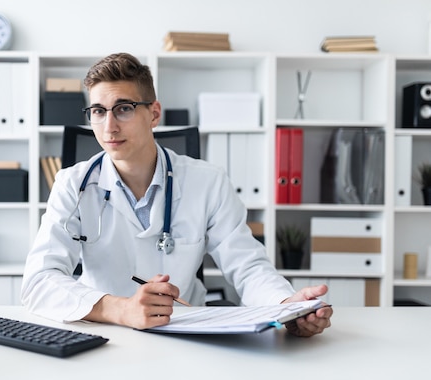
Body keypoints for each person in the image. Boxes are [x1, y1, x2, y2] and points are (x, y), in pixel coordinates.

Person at [22, 52, 332, 337]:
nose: (109, 126)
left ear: (154, 114)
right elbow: (39, 281)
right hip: (103, 331)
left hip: (185, 329)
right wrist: (121, 309)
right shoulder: (72, 184)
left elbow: (247, 266)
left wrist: (287, 306)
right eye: (98, 111)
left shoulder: (207, 182)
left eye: (124, 109)